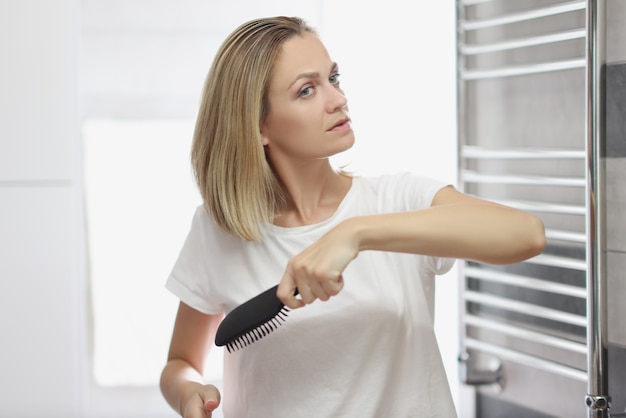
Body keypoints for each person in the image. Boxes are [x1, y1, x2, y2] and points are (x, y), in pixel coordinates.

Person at [160, 16, 546, 418]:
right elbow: (180, 363)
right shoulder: (218, 230)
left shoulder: (398, 199)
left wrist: (355, 233)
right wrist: (188, 391)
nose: (338, 99)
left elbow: (526, 234)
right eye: (307, 90)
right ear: (258, 127)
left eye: (334, 77)